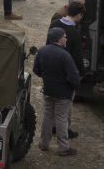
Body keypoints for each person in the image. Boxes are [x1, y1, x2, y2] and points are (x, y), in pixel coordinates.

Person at [34, 27, 80, 157]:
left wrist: (48, 78)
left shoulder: (42, 51)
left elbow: (36, 69)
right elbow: (74, 77)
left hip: (48, 90)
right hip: (63, 93)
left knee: (48, 116)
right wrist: (73, 86)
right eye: (65, 36)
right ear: (60, 39)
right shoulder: (65, 55)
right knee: (61, 119)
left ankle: (44, 143)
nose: (66, 38)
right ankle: (64, 148)